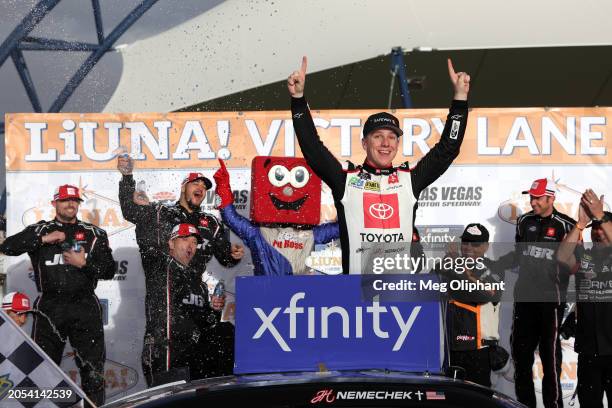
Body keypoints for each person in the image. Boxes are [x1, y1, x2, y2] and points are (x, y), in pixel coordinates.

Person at [288, 56, 470, 274]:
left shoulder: (409, 179)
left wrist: (460, 99)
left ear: (398, 143)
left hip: (398, 296)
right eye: (378, 136)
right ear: (364, 143)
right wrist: (298, 99)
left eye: (392, 137)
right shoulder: (346, 179)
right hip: (357, 297)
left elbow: (448, 148)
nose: (386, 143)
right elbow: (312, 148)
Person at [0, 184, 115, 407]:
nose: (70, 204)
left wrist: (85, 263)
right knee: (41, 369)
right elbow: (9, 247)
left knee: (93, 373)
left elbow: (109, 269)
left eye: (74, 201)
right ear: (55, 203)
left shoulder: (94, 233)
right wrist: (43, 240)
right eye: (65, 200)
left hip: (85, 306)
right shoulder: (40, 230)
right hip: (50, 306)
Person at [494, 178, 576, 408]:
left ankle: (553, 405)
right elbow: (519, 256)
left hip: (550, 301)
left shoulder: (566, 225)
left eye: (538, 197)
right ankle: (525, 404)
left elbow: (575, 264)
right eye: (531, 197)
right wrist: (495, 264)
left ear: (551, 198)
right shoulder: (523, 221)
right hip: (524, 299)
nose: (533, 202)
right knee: (521, 358)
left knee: (550, 361)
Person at [214, 157, 340, 275]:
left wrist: (345, 192)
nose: (288, 190)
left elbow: (343, 227)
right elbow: (230, 218)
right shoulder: (258, 233)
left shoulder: (312, 234)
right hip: (265, 295)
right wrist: (222, 184)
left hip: (302, 294)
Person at [117, 157, 244, 272]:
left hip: (196, 293)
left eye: (204, 187)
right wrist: (127, 176)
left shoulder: (211, 223)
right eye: (195, 183)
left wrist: (233, 255)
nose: (201, 188)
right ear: (183, 187)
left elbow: (226, 259)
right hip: (164, 291)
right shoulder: (161, 212)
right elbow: (130, 211)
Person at [141, 223, 227, 386]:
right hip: (165, 351)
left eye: (195, 242)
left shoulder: (199, 284)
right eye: (185, 238)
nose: (191, 245)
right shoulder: (161, 266)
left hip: (192, 357)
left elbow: (207, 324)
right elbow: (146, 244)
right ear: (171, 243)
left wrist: (214, 309)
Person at [557, 190, 612, 408]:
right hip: (589, 351)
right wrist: (580, 224)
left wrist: (599, 216)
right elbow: (562, 257)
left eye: (602, 229)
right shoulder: (585, 256)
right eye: (595, 230)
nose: (597, 233)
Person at [435, 223, 506, 387]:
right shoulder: (451, 265)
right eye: (465, 242)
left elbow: (482, 294)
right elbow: (430, 286)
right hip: (448, 347)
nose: (468, 247)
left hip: (478, 350)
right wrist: (444, 265)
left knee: (478, 399)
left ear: (486, 246)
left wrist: (459, 269)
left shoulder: (494, 268)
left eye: (475, 244)